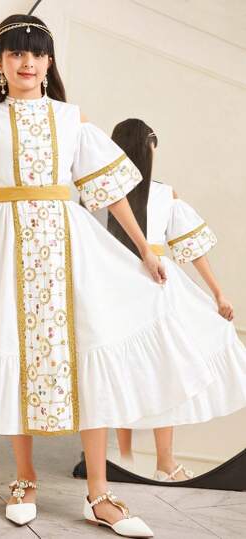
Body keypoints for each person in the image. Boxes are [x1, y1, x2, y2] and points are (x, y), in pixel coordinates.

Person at [0, 13, 246, 536]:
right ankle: (25, 478)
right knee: (13, 349)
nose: (27, 62)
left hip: (71, 246)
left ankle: (99, 493)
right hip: (6, 246)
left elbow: (111, 193)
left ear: (49, 63)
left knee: (90, 351)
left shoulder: (71, 119)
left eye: (36, 53)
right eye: (16, 53)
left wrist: (144, 250)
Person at [107, 118, 241, 483]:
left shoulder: (99, 193)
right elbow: (193, 249)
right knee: (162, 374)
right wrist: (216, 291)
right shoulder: (162, 193)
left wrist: (218, 293)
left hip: (117, 286)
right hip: (156, 285)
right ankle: (159, 463)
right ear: (148, 148)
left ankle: (127, 459)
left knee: (124, 372)